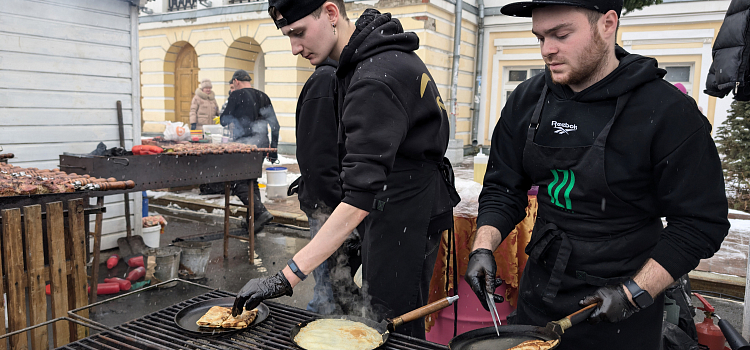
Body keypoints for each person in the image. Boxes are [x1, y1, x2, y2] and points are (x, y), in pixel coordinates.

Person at [463, 0, 729, 348]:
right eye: (540, 37)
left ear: (607, 24)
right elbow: (503, 186)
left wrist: (634, 293)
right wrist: (483, 248)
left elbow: (698, 223)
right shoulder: (527, 100)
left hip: (623, 306)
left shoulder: (665, 112)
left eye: (561, 34)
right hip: (540, 291)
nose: (547, 50)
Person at [232, 0, 460, 339]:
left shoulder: (374, 77)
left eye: (299, 33)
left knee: (393, 327)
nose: (295, 48)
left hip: (406, 212)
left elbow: (358, 198)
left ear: (331, 13)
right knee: (382, 318)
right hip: (402, 204)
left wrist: (285, 277)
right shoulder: (371, 59)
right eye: (287, 36)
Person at [287, 57, 361, 315]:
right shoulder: (326, 80)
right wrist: (341, 213)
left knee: (340, 287)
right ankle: (316, 334)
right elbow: (317, 161)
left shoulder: (340, 79)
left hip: (341, 208)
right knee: (327, 294)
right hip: (329, 209)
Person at [221, 69, 280, 230]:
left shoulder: (236, 95)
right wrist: (273, 148)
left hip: (243, 145)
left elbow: (223, 121)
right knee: (251, 179)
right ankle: (253, 222)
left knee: (237, 182)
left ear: (236, 82)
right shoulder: (263, 96)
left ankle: (260, 212)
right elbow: (275, 125)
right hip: (261, 143)